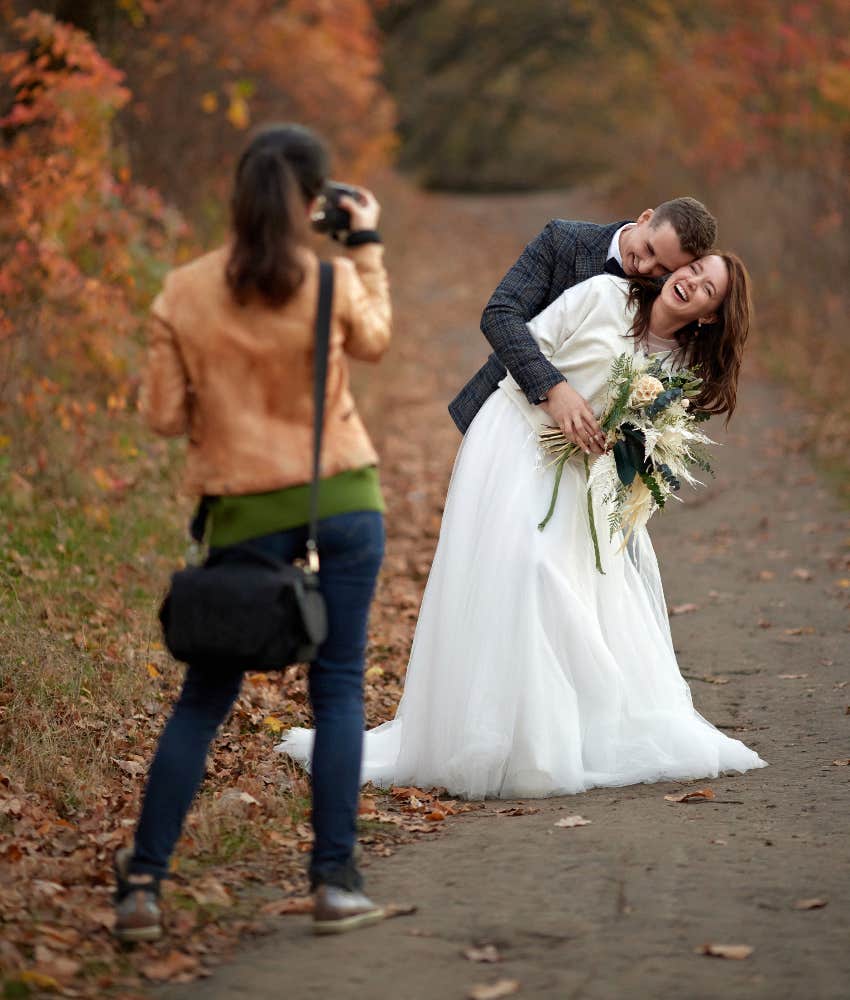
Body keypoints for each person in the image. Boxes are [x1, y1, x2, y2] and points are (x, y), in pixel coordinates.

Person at [278, 253, 767, 799]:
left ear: (709, 315)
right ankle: (487, 735)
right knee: (521, 568)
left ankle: (551, 732)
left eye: (708, 290)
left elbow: (649, 450)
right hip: (514, 437)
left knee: (561, 585)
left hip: (580, 476)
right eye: (693, 272)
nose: (692, 284)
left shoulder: (676, 370)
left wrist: (622, 453)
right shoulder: (605, 296)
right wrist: (557, 399)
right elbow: (522, 350)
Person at [113, 123, 391, 941]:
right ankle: (336, 882)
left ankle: (143, 889)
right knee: (338, 687)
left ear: (237, 196)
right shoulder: (333, 279)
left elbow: (162, 417)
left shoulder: (182, 290)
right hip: (343, 499)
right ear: (317, 203)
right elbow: (375, 340)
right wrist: (366, 243)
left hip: (242, 516)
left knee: (203, 699)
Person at [449, 198, 717, 456]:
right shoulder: (564, 240)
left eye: (663, 267)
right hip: (506, 411)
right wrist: (553, 389)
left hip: (579, 457)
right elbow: (501, 314)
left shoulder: (669, 293)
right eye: (649, 250)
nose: (646, 266)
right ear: (645, 218)